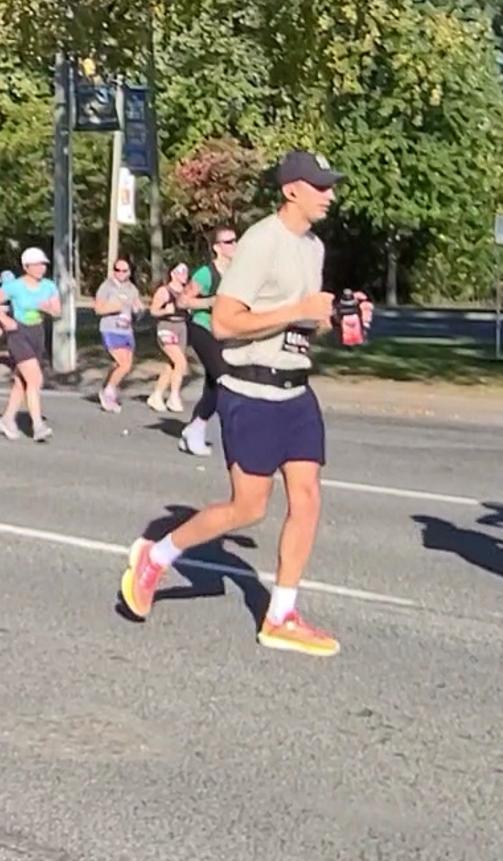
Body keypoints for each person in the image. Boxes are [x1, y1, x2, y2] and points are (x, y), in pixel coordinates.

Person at [119, 150, 344, 657]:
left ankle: (281, 614)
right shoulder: (263, 241)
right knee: (249, 507)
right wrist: (298, 310)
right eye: (320, 186)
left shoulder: (313, 246)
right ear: (292, 190)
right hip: (250, 390)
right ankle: (158, 555)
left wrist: (337, 319)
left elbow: (301, 321)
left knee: (307, 498)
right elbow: (224, 323)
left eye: (330, 186)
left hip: (295, 389)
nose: (329, 195)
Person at [0, 248, 60, 441]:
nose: (41, 268)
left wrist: (48, 309)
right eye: (36, 265)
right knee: (35, 379)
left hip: (37, 334)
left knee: (22, 381)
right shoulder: (15, 286)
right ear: (26, 267)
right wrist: (5, 320)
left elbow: (57, 311)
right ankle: (38, 425)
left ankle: (7, 419)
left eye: (43, 264)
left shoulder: (49, 286)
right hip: (19, 334)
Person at [180, 228, 239, 456]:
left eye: (235, 240)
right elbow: (183, 301)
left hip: (224, 332)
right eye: (228, 241)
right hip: (202, 328)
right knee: (223, 377)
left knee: (214, 384)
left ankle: (193, 430)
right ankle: (197, 427)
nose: (234, 244)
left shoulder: (238, 273)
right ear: (217, 248)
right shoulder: (206, 273)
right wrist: (211, 302)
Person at [95, 258, 143, 412]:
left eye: (124, 270)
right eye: (117, 270)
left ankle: (108, 387)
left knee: (122, 364)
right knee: (124, 364)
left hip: (126, 330)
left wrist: (139, 310)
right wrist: (113, 307)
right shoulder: (106, 286)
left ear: (129, 272)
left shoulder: (132, 289)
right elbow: (98, 309)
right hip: (110, 329)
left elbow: (137, 310)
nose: (121, 273)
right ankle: (108, 392)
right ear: (113, 270)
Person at [146, 263, 193, 413]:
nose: (183, 274)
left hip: (182, 327)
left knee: (172, 364)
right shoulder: (164, 291)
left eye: (185, 271)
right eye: (180, 271)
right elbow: (153, 311)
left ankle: (157, 394)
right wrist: (165, 310)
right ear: (172, 274)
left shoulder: (186, 292)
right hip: (167, 326)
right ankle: (174, 396)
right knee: (181, 362)